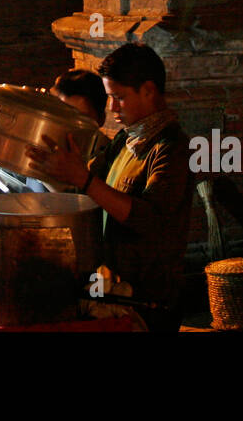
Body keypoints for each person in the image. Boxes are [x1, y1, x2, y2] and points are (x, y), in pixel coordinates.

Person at [27, 44, 192, 331]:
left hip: (146, 303)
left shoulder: (171, 149)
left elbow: (149, 219)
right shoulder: (124, 141)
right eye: (109, 97)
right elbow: (82, 192)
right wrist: (54, 168)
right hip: (109, 289)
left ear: (149, 91)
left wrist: (85, 180)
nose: (112, 108)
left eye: (119, 97)